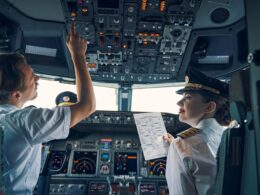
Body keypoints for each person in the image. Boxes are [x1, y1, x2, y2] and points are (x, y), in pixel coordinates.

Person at [0, 21, 96, 194]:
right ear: (16, 95)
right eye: (32, 77)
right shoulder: (23, 122)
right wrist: (78, 55)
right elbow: (87, 106)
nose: (37, 78)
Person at [164, 68, 231, 195]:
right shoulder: (229, 135)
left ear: (210, 107)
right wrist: (177, 148)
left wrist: (177, 148)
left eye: (188, 97)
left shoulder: (182, 144)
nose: (179, 102)